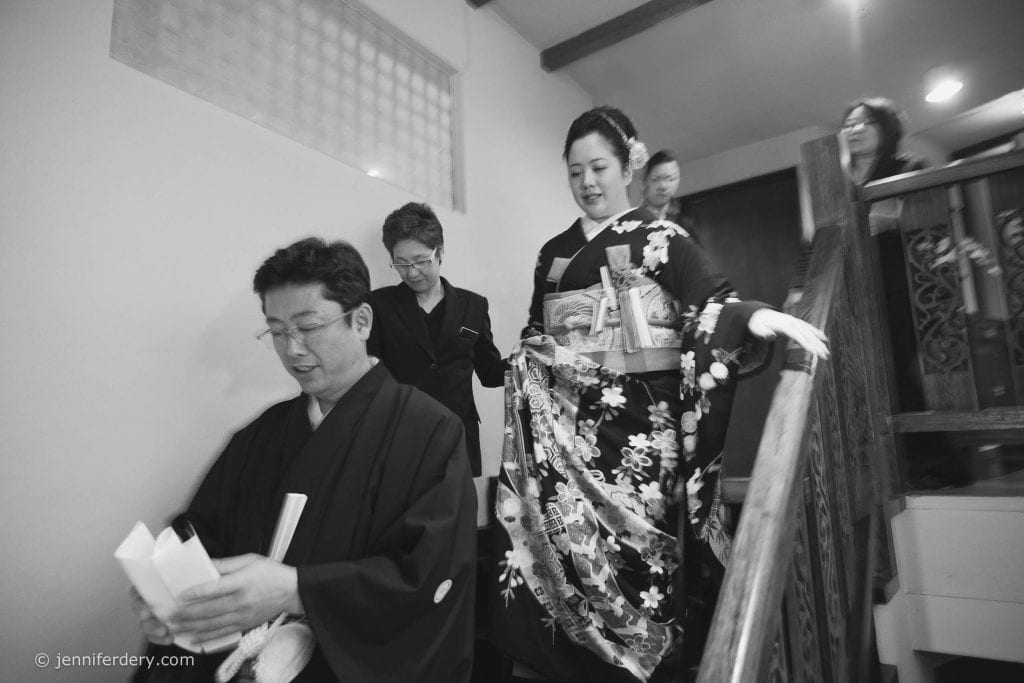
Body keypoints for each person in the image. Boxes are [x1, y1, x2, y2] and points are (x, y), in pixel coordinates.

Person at [489, 106, 829, 682]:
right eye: (575, 172)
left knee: (641, 554)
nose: (588, 182)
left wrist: (751, 316)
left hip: (641, 426)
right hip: (566, 425)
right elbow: (536, 330)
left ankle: (648, 659)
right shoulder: (553, 253)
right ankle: (575, 659)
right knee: (563, 539)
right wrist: (532, 358)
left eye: (599, 167)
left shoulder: (662, 237)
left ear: (627, 168)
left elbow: (710, 301)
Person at [129, 238, 477, 682]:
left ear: (361, 321)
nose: (292, 349)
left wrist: (295, 590)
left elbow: (428, 575)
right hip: (232, 657)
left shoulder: (431, 432)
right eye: (277, 332)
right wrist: (173, 596)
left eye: (308, 327)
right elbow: (199, 533)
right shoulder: (260, 436)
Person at [840, 97, 968, 488]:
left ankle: (940, 465)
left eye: (864, 122)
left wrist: (879, 220)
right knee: (869, 380)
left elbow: (905, 218)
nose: (854, 129)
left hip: (903, 289)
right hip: (855, 293)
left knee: (900, 375)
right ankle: (896, 468)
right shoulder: (837, 180)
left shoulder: (908, 166)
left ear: (885, 128)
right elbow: (821, 236)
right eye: (849, 123)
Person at [368, 202, 506, 477]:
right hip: (400, 433)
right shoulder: (378, 305)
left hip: (457, 433)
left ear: (440, 252)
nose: (412, 272)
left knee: (457, 503)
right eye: (401, 263)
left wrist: (528, 359)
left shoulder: (474, 306)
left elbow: (490, 373)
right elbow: (370, 374)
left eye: (421, 261)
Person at [639, 150, 684, 224]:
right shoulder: (633, 221)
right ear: (643, 184)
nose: (663, 186)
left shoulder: (687, 221)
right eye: (655, 179)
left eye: (670, 179)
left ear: (678, 181)